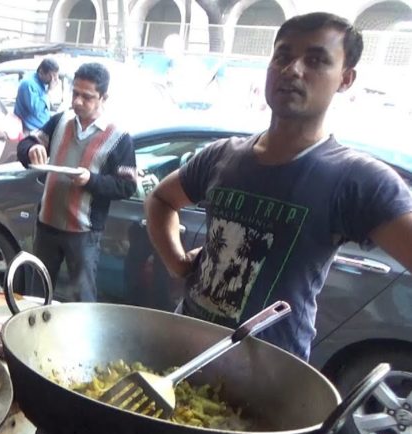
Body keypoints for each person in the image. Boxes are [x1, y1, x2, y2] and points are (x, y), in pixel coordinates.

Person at [144, 12, 412, 360]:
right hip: (183, 350)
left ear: (345, 78)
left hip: (268, 380)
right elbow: (162, 199)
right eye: (283, 56)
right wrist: (177, 263)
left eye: (316, 60)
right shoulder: (222, 156)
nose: (293, 70)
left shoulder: (358, 179)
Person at [17, 62, 137, 302]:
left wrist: (90, 180)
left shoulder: (119, 137)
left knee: (83, 300)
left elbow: (126, 185)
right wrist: (31, 149)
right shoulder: (61, 121)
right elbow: (25, 143)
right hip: (47, 225)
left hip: (83, 232)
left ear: (104, 97)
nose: (78, 101)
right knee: (37, 296)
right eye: (75, 93)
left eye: (87, 97)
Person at [14, 58, 59, 133]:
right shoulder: (29, 84)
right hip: (30, 130)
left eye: (56, 76)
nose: (54, 80)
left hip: (41, 127)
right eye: (52, 76)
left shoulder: (42, 83)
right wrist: (49, 92)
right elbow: (36, 110)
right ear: (41, 72)